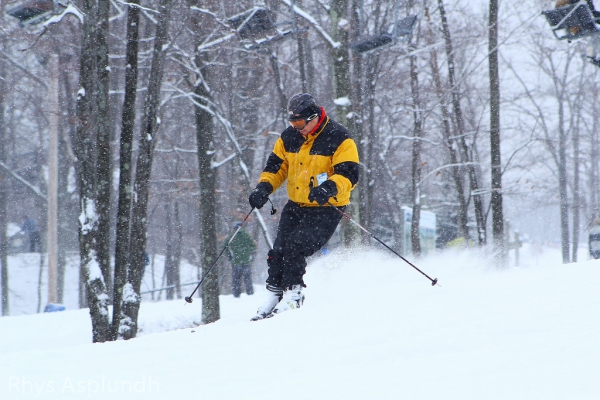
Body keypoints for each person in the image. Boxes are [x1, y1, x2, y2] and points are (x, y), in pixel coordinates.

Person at [248, 93, 360, 320]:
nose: (297, 127)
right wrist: (263, 188)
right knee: (278, 249)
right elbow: (276, 167)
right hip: (297, 204)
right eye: (293, 123)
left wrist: (329, 187)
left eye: (300, 122)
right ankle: (274, 294)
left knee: (296, 246)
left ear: (314, 117)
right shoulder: (289, 137)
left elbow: (349, 174)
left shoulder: (339, 137)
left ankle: (294, 294)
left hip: (326, 206)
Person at [227, 222, 257, 297]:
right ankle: (250, 293)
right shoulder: (246, 235)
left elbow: (225, 245)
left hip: (236, 261)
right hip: (246, 261)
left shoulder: (232, 236)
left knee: (236, 279)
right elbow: (253, 246)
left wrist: (229, 254)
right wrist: (248, 253)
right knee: (247, 278)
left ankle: (236, 294)